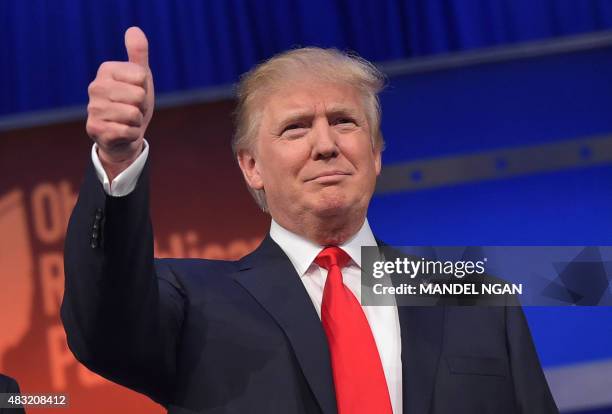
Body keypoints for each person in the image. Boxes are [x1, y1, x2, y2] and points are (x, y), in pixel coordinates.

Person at [61, 27, 559, 414]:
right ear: (251, 167)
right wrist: (118, 160)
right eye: (296, 128)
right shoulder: (192, 303)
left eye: (344, 121)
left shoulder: (473, 299)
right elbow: (103, 325)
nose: (326, 145)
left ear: (377, 152)